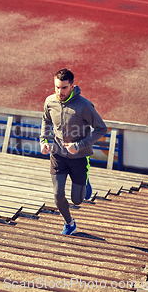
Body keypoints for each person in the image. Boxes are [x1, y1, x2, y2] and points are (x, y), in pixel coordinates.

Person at [40, 69, 108, 235]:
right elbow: (46, 120)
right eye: (57, 87)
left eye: (63, 88)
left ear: (72, 86)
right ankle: (70, 223)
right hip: (57, 154)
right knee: (57, 194)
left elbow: (101, 128)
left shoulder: (84, 106)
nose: (59, 92)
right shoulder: (50, 102)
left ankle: (85, 181)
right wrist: (44, 141)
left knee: (77, 200)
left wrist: (79, 145)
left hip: (79, 157)